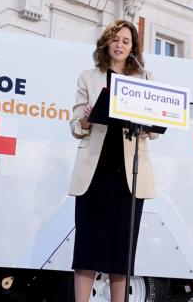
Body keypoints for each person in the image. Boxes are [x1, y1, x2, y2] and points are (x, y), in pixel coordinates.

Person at [68, 19, 160, 302]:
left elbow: (153, 131)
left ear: (133, 49)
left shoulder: (144, 79)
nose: (120, 45)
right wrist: (85, 118)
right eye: (116, 39)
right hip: (95, 172)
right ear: (106, 43)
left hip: (129, 176)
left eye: (126, 41)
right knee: (88, 250)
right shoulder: (88, 77)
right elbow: (74, 124)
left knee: (122, 254)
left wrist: (147, 125)